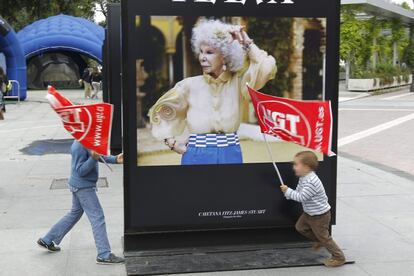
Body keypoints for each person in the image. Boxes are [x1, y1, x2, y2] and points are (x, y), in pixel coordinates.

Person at [148, 19, 276, 165]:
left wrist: (246, 41)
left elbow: (266, 68)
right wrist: (172, 142)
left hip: (230, 152)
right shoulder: (188, 86)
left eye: (209, 52)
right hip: (196, 154)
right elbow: (161, 112)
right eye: (201, 52)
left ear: (224, 57)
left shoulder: (239, 83)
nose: (202, 57)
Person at [37, 140, 125, 265]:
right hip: (83, 187)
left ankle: (47, 239)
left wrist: (115, 159)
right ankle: (104, 254)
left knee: (74, 213)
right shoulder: (79, 145)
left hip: (80, 185)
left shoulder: (87, 140)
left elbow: (97, 155)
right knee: (97, 217)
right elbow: (81, 170)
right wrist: (93, 159)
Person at [280, 151, 346, 267]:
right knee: (300, 228)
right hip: (309, 213)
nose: (293, 167)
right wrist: (288, 193)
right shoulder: (303, 177)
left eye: (296, 164)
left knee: (325, 238)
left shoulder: (311, 182)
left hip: (320, 215)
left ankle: (339, 257)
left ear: (306, 167)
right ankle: (319, 240)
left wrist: (288, 191)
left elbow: (301, 197)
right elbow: (298, 192)